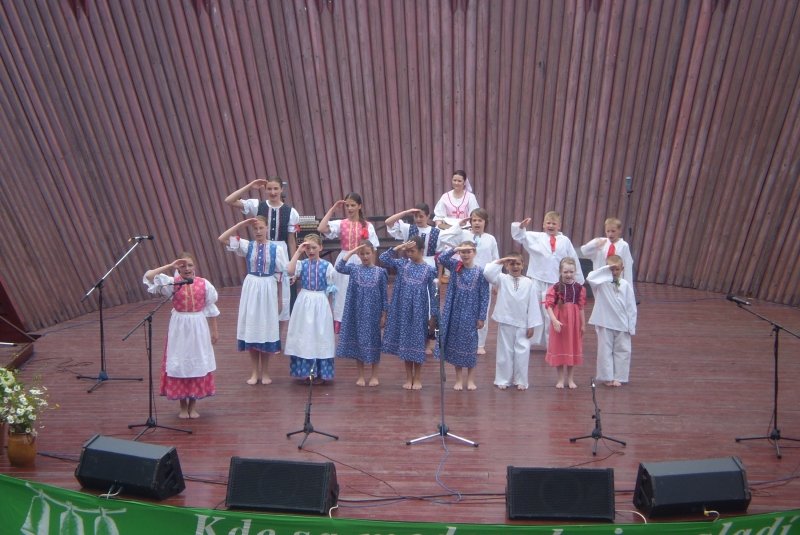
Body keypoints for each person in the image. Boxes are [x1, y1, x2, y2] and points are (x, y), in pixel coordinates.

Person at [143, 253, 218, 419]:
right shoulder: (172, 283)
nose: (187, 269)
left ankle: (193, 405)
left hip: (198, 325)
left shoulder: (204, 284)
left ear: (195, 267)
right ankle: (182, 406)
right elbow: (149, 276)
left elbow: (211, 307)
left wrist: (214, 330)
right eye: (183, 266)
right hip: (179, 326)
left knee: (196, 362)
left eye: (190, 265)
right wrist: (170, 266)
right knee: (181, 362)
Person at [218, 216, 288, 385]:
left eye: (261, 228)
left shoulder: (275, 249)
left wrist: (280, 299)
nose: (258, 231)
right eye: (255, 228)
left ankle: (265, 372)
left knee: (265, 328)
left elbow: (282, 274)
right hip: (252, 287)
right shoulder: (247, 245)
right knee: (252, 327)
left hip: (268, 287)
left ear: (266, 229)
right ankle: (254, 372)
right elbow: (222, 238)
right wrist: (241, 224)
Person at [224, 177, 300, 321]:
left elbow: (291, 240)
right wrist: (250, 186)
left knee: (282, 293)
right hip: (262, 248)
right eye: (269, 189)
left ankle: (276, 336)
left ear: (282, 189)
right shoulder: (258, 206)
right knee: (264, 289)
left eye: (276, 188)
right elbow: (229, 200)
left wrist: (292, 265)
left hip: (280, 250)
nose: (273, 192)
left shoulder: (290, 212)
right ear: (265, 190)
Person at [512, 212, 584, 349]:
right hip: (537, 279)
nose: (551, 226)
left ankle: (552, 343)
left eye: (554, 223)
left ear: (559, 225)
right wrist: (520, 227)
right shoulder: (536, 237)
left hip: (555, 282)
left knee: (552, 311)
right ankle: (530, 340)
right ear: (543, 224)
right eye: (548, 223)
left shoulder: (565, 241)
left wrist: (578, 282)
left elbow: (573, 260)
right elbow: (519, 236)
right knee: (533, 308)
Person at [385, 203, 445, 354]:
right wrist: (406, 211)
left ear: (428, 216)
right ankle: (407, 340)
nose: (418, 219)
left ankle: (426, 343)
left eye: (421, 216)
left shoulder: (436, 232)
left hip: (429, 267)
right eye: (415, 216)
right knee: (411, 305)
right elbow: (388, 222)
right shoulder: (408, 228)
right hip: (411, 269)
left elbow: (439, 258)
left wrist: (438, 277)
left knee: (427, 306)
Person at [380, 237, 438, 390]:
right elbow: (383, 258)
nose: (410, 254)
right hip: (403, 311)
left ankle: (417, 377)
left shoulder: (429, 270)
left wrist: (433, 316)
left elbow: (434, 294)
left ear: (421, 251)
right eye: (408, 251)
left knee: (418, 343)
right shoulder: (402, 264)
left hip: (420, 312)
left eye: (413, 251)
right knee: (406, 344)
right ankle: (408, 377)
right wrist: (400, 247)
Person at [439, 208, 499, 354]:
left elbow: (496, 260)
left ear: (486, 222)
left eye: (480, 220)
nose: (477, 223)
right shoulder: (464, 234)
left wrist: (496, 281)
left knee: (482, 309)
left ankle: (480, 344)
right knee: (464, 311)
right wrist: (458, 225)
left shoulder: (490, 239)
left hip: (483, 279)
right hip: (464, 277)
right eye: (474, 220)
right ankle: (463, 340)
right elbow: (444, 237)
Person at [318, 193, 380, 331]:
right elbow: (321, 228)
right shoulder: (341, 223)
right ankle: (342, 322)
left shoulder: (367, 226)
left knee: (360, 291)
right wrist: (333, 209)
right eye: (347, 205)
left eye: (353, 205)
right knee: (342, 291)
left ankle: (359, 322)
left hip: (360, 260)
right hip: (344, 259)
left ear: (359, 206)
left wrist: (372, 269)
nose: (350, 208)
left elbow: (373, 248)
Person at [483, 253, 542, 390]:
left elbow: (533, 303)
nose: (515, 266)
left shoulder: (529, 282)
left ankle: (521, 380)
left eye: (518, 264)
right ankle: (503, 379)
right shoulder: (502, 279)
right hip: (506, 320)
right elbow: (487, 273)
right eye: (511, 264)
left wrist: (531, 325)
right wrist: (502, 260)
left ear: (523, 265)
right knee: (505, 352)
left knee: (523, 352)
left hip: (523, 322)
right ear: (506, 266)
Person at [436, 243, 490, 391]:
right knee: (457, 345)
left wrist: (481, 317)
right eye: (463, 252)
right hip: (455, 312)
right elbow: (441, 258)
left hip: (471, 314)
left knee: (471, 345)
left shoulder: (481, 272)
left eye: (468, 252)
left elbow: (484, 296)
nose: (465, 255)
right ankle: (459, 379)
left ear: (475, 253)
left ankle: (470, 379)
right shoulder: (455, 266)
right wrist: (455, 250)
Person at [335, 240, 389, 387]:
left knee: (374, 342)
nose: (365, 256)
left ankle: (374, 375)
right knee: (359, 343)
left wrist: (384, 315)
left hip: (373, 313)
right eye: (362, 253)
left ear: (373, 253)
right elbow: (339, 267)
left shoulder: (380, 272)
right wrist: (351, 252)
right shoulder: (353, 269)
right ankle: (361, 375)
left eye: (367, 253)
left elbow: (384, 295)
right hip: (356, 312)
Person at [284, 234, 337, 382]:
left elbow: (331, 289)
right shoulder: (302, 264)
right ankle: (306, 371)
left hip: (320, 302)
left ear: (320, 247)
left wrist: (330, 310)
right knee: (305, 333)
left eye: (314, 247)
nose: (311, 251)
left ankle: (320, 371)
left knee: (319, 334)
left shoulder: (327, 266)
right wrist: (298, 252)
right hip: (304, 302)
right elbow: (289, 271)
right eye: (308, 248)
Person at [586, 255, 637, 386]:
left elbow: (631, 307)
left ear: (623, 269)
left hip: (622, 323)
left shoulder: (626, 285)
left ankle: (620, 377)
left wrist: (631, 326)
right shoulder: (600, 283)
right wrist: (606, 269)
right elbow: (590, 277)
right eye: (611, 269)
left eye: (617, 269)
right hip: (605, 322)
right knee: (605, 351)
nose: (614, 272)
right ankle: (607, 377)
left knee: (623, 350)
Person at [545, 257, 586, 389]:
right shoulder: (555, 288)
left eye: (571, 272)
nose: (568, 275)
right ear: (560, 272)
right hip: (560, 321)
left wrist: (583, 324)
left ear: (575, 272)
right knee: (560, 347)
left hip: (573, 322)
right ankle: (561, 379)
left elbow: (581, 307)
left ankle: (571, 379)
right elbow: (549, 305)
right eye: (566, 272)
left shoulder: (579, 288)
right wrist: (554, 319)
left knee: (571, 347)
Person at [433, 170, 480, 284]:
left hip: (466, 229)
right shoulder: (445, 196)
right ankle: (449, 273)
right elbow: (438, 216)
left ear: (464, 182)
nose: (457, 183)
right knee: (449, 248)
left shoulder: (470, 197)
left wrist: (472, 229)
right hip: (449, 229)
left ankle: (466, 271)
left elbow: (475, 214)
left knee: (465, 249)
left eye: (459, 180)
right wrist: (440, 227)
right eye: (455, 180)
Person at [581, 217, 635, 291]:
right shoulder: (601, 242)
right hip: (601, 279)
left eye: (613, 231)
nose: (610, 234)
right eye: (608, 231)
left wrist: (629, 288)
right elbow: (584, 251)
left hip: (616, 279)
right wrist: (595, 246)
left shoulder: (624, 245)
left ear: (619, 230)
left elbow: (627, 265)